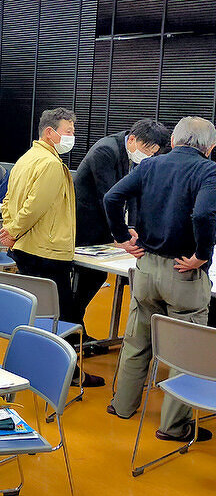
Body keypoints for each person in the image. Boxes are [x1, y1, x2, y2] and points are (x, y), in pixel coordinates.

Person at [105, 116, 216, 443]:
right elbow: (204, 214)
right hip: (183, 272)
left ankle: (122, 405)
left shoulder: (151, 165)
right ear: (209, 147)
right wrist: (202, 254)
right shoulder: (207, 170)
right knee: (184, 350)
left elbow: (112, 198)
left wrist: (122, 236)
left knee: (137, 340)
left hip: (147, 268)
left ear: (176, 140)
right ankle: (173, 426)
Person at [0, 107, 104, 388]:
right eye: (68, 132)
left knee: (39, 310)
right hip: (47, 250)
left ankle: (40, 364)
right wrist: (14, 230)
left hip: (27, 246)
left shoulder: (25, 159)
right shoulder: (50, 165)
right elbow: (36, 206)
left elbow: (8, 200)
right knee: (65, 315)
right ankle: (68, 373)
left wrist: (11, 229)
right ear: (50, 132)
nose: (73, 137)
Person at [73, 118, 170, 350]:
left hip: (105, 223)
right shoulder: (105, 151)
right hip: (85, 221)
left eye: (153, 153)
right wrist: (120, 235)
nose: (148, 156)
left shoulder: (135, 154)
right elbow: (107, 196)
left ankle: (77, 327)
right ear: (133, 140)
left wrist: (132, 226)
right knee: (86, 277)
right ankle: (73, 329)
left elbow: (134, 193)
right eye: (147, 150)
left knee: (94, 279)